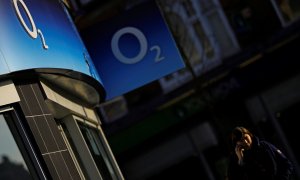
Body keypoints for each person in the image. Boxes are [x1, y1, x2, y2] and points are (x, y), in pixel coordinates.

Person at [226, 126, 294, 180]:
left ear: (250, 135)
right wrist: (241, 160)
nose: (245, 142)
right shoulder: (235, 160)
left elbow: (286, 164)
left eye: (246, 137)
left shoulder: (264, 146)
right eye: (241, 141)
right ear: (237, 144)